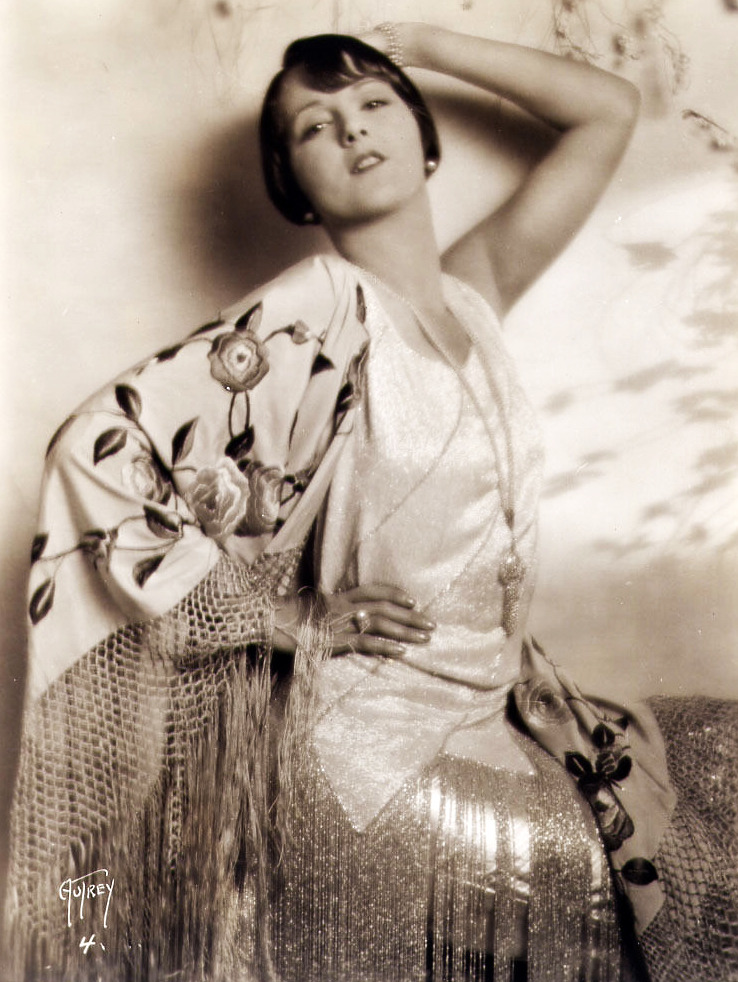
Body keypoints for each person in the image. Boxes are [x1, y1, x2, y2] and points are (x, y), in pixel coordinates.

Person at [3, 22, 736, 982]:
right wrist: (281, 614)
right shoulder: (319, 307)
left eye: (374, 103)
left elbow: (607, 111)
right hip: (371, 763)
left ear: (424, 141)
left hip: (496, 716)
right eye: (316, 125)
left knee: (718, 762)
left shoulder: (471, 293)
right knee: (623, 883)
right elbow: (97, 450)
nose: (352, 129)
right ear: (294, 187)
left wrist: (419, 43)